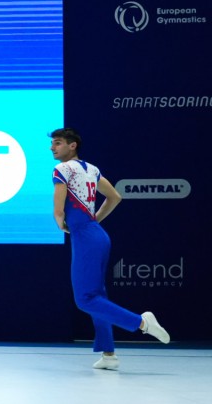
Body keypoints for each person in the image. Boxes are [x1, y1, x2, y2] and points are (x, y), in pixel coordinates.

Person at [50, 127, 170, 369]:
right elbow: (115, 197)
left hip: (86, 237)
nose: (52, 147)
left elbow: (59, 210)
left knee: (85, 300)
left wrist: (62, 223)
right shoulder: (92, 169)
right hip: (97, 235)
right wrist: (94, 221)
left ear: (73, 145)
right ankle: (109, 355)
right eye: (52, 143)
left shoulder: (62, 169)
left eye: (58, 143)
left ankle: (142, 323)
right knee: (97, 296)